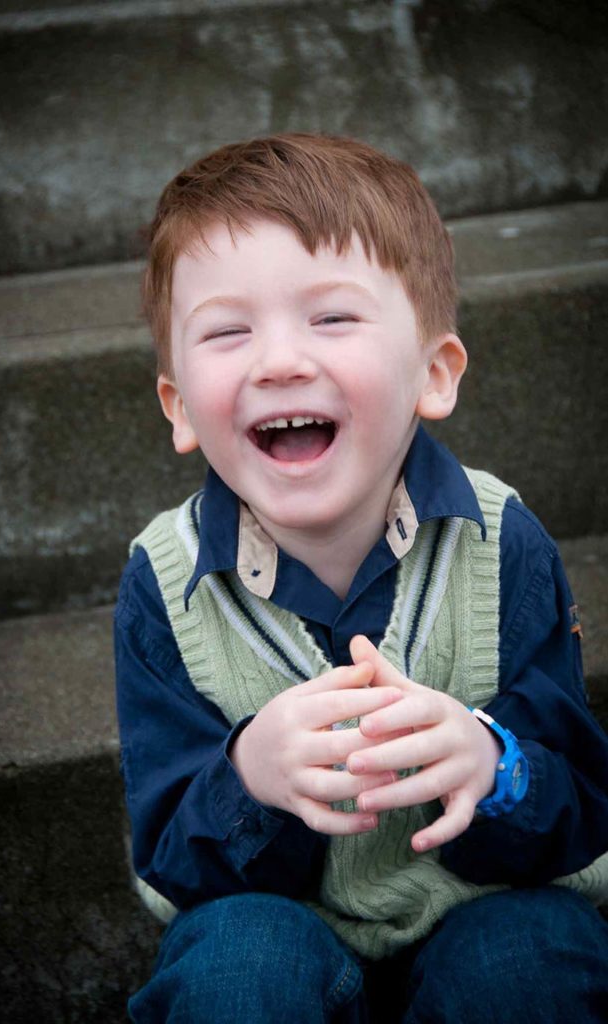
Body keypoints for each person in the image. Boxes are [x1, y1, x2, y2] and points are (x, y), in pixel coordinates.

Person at [114, 134, 608, 1023]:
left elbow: (581, 810)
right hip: (278, 923)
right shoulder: (164, 579)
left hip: (485, 910)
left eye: (331, 319)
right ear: (180, 405)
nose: (277, 361)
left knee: (532, 956)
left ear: (433, 372)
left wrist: (491, 765)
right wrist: (248, 777)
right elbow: (169, 860)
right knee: (236, 966)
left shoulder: (502, 544)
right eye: (227, 332)